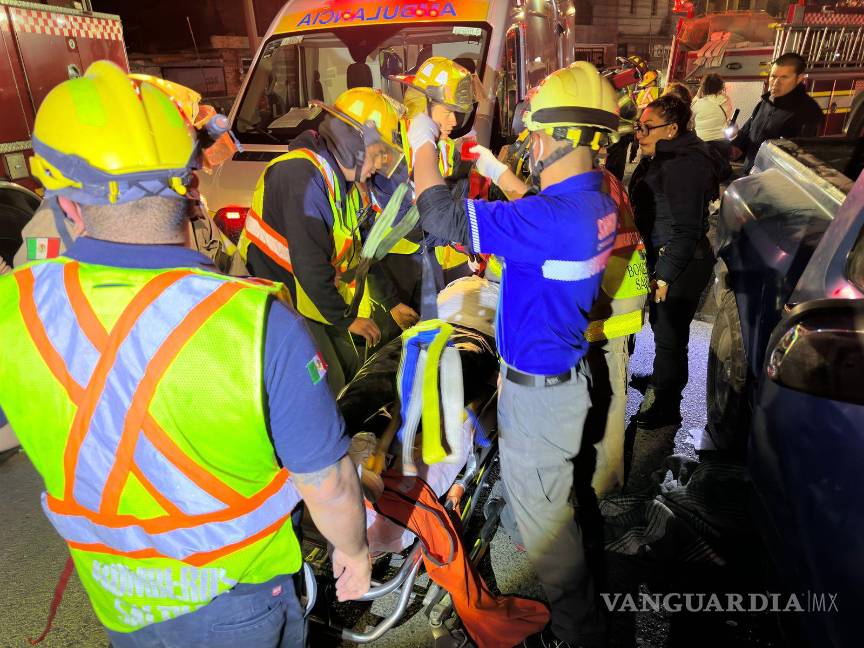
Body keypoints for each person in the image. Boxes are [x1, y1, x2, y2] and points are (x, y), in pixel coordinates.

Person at [0, 61, 370, 647]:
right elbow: (328, 484)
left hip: (119, 601)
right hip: (240, 600)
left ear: (65, 205)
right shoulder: (258, 324)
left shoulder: (12, 309)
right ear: (191, 190)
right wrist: (354, 551)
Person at [409, 61, 621, 648]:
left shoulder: (556, 220)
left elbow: (441, 216)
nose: (530, 142)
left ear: (562, 136)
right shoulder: (592, 200)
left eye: (535, 133)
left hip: (541, 399)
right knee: (559, 506)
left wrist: (420, 136)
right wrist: (498, 170)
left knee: (549, 533)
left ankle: (582, 635)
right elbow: (536, 214)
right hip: (559, 381)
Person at [238, 87, 418, 394]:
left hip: (309, 297)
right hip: (272, 302)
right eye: (378, 154)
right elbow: (308, 263)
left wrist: (392, 302)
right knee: (329, 386)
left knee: (357, 366)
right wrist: (345, 319)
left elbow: (363, 252)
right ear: (353, 145)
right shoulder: (301, 176)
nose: (379, 166)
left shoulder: (343, 183)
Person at [628, 95, 730, 429]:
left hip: (681, 262)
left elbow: (687, 229)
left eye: (647, 127)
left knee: (671, 336)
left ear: (672, 129)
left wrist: (665, 274)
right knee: (662, 330)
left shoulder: (683, 164)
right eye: (637, 127)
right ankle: (660, 379)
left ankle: (669, 407)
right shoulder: (664, 156)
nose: (639, 134)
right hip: (667, 255)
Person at [731, 52, 823, 174]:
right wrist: (736, 147)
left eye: (784, 77)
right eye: (773, 76)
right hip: (750, 175)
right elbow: (747, 131)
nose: (776, 82)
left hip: (774, 182)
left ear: (799, 78)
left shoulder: (808, 112)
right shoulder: (765, 102)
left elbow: (802, 159)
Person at [691, 73, 734, 159]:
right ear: (720, 87)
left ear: (703, 87)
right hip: (722, 144)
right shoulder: (726, 101)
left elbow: (690, 117)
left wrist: (697, 96)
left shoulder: (698, 104)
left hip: (703, 144)